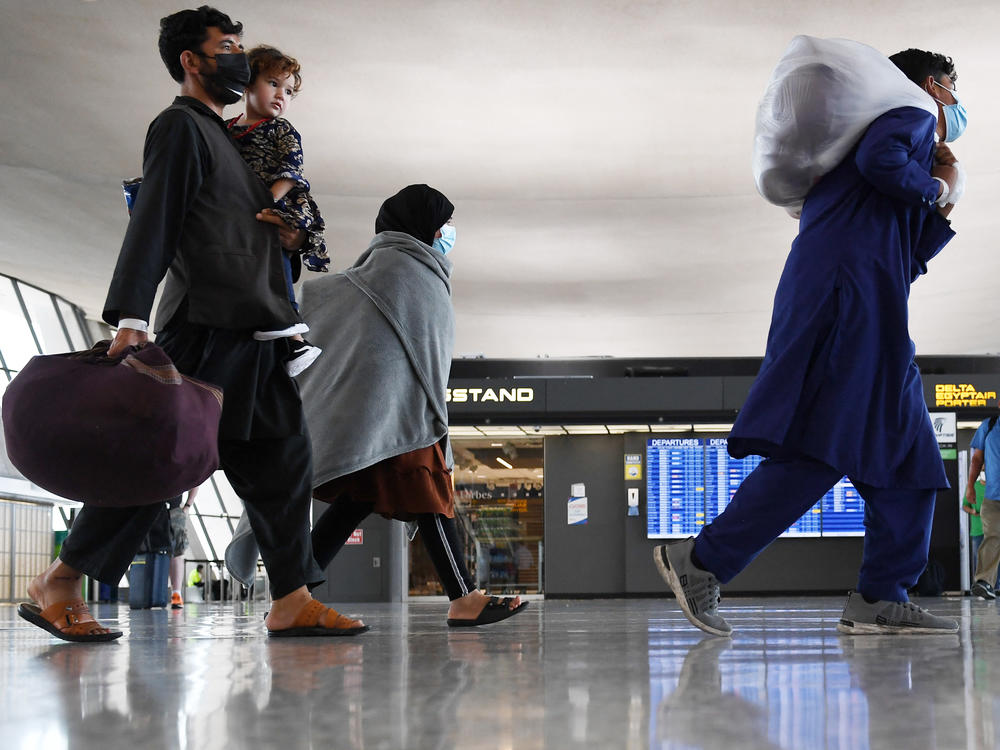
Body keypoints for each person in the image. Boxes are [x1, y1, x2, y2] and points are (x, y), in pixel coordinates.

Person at [18, 6, 365, 642]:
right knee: (162, 459)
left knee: (284, 461)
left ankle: (290, 597)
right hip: (208, 324)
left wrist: (289, 235)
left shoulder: (228, 140)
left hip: (257, 329)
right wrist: (130, 316)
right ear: (191, 60)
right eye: (227, 46)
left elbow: (240, 226)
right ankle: (61, 582)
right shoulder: (181, 127)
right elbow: (156, 220)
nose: (238, 57)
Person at [653, 48, 966, 636]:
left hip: (867, 301)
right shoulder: (909, 112)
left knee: (909, 458)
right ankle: (701, 562)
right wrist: (935, 185)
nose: (954, 101)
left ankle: (882, 593)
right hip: (849, 303)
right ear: (932, 85)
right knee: (823, 447)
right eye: (951, 87)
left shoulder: (862, 147)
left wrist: (941, 194)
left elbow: (903, 254)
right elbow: (883, 163)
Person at [227, 185, 525, 626]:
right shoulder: (411, 272)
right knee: (430, 493)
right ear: (424, 226)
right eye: (443, 225)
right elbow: (424, 354)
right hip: (405, 415)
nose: (448, 233)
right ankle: (463, 598)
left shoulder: (372, 273)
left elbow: (321, 304)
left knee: (354, 501)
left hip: (374, 415)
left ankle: (290, 596)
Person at [226, 44, 328, 377]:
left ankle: (294, 333)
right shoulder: (225, 129)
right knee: (248, 266)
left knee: (274, 260)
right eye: (272, 84)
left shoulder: (281, 130)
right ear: (247, 85)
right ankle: (278, 328)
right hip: (240, 213)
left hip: (274, 205)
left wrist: (268, 200)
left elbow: (291, 170)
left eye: (288, 91)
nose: (281, 95)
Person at [965, 416, 1000, 599]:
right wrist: (970, 486)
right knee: (992, 537)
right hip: (993, 496)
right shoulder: (989, 425)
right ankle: (984, 581)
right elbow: (976, 459)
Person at [168, 486, 198, 609]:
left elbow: (197, 479)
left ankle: (176, 594)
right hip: (155, 509)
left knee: (177, 552)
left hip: (174, 510)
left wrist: (187, 506)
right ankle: (151, 594)